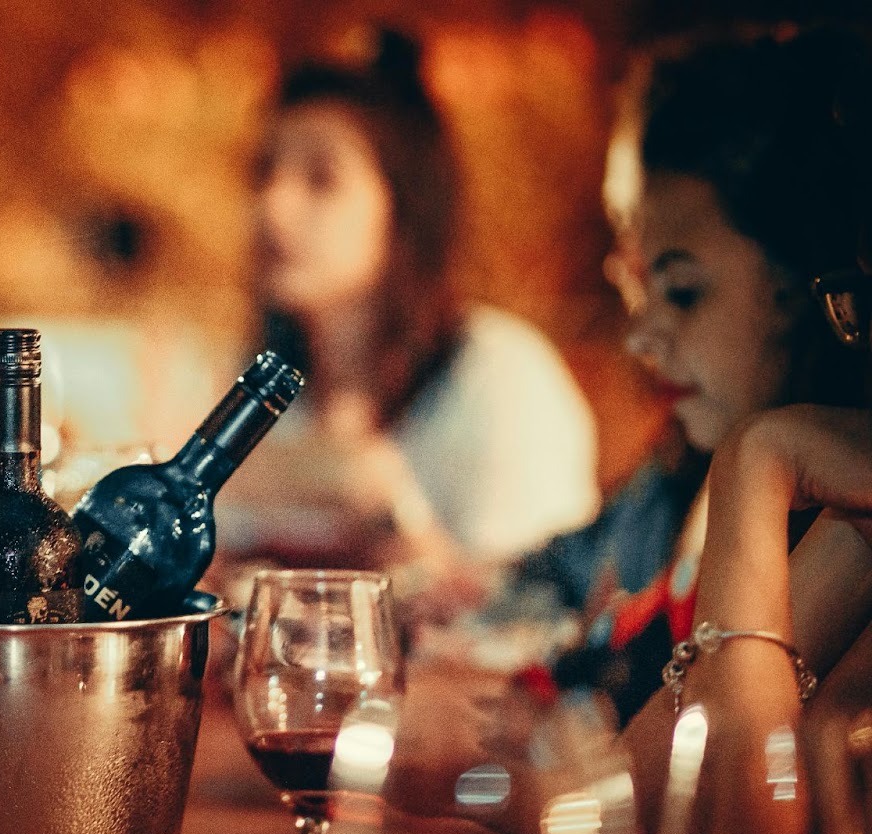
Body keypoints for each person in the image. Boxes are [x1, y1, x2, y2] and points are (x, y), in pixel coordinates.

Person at [511, 27, 870, 726]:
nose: (640, 334)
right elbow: (563, 581)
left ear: (805, 291)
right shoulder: (683, 474)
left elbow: (725, 796)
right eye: (632, 281)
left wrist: (511, 783)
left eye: (680, 292)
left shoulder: (835, 511)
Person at [227, 29, 599, 575]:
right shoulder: (247, 389)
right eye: (264, 172)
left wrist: (388, 512)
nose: (273, 206)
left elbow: (541, 601)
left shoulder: (497, 375)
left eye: (321, 179)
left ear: (404, 213)